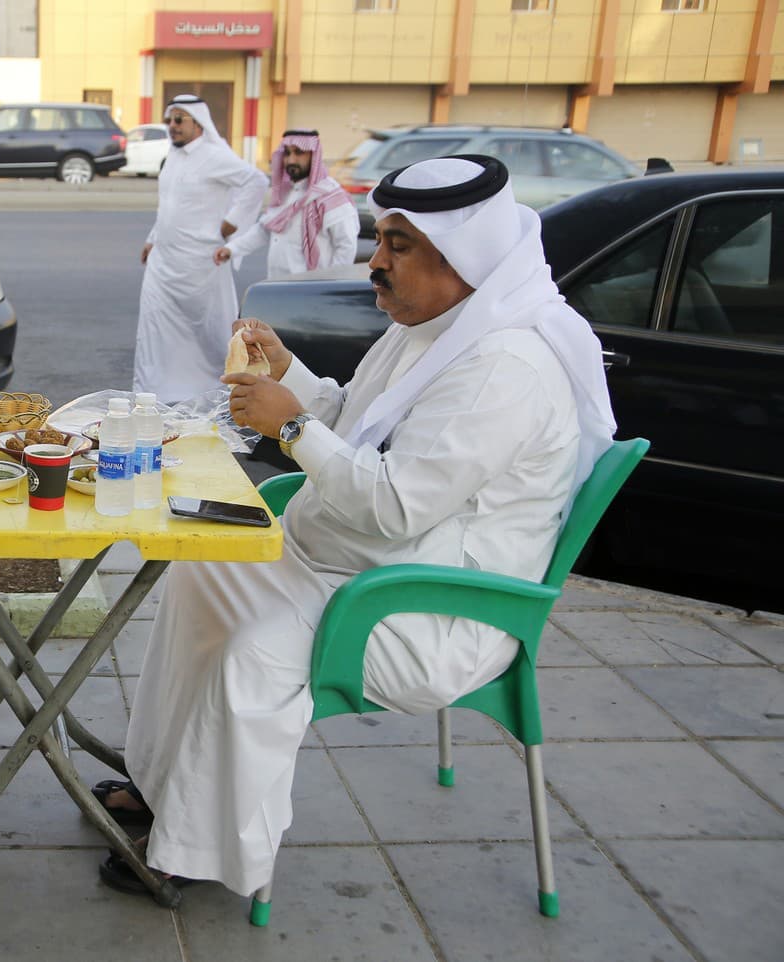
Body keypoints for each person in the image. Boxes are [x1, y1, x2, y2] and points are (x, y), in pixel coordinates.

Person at [94, 155, 616, 898]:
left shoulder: (504, 366)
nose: (376, 264)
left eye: (398, 248)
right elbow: (356, 423)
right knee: (199, 573)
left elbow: (396, 503)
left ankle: (198, 851)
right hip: (367, 561)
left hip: (433, 607)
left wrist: (292, 424)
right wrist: (291, 376)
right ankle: (162, 788)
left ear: (463, 256)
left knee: (254, 646)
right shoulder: (436, 326)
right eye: (380, 241)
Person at [132, 94, 268, 403]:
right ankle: (151, 393)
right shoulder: (174, 156)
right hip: (163, 262)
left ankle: (220, 390)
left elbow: (256, 182)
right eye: (170, 120)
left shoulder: (214, 156)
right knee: (154, 329)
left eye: (180, 120)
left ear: (198, 122)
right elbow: (169, 205)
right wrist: (153, 237)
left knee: (208, 334)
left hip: (198, 264)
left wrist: (229, 224)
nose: (172, 126)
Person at [214, 129, 357, 278]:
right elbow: (265, 230)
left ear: (314, 156)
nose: (291, 160)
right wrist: (231, 249)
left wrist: (331, 284)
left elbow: (346, 246)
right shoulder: (284, 193)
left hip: (313, 288)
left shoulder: (330, 196)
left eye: (299, 153)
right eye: (287, 153)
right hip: (278, 286)